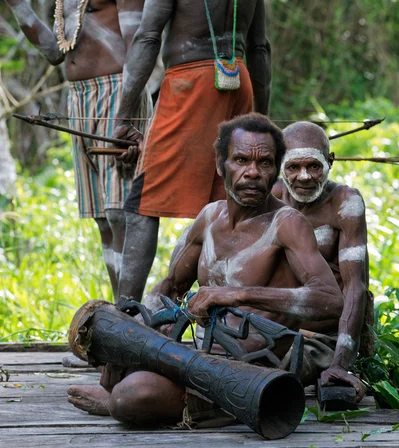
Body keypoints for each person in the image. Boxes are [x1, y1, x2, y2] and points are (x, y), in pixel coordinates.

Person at [67, 113, 343, 424]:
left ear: (275, 170)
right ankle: (134, 388)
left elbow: (330, 299)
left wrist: (234, 294)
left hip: (254, 370)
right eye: (240, 160)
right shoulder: (210, 217)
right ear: (219, 165)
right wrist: (142, 332)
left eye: (264, 163)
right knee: (110, 339)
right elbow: (169, 287)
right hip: (197, 358)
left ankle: (124, 403)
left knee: (132, 396)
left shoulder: (287, 224)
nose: (252, 172)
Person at [107, 0, 272, 302]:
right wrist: (260, 124)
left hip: (189, 84)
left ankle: (123, 319)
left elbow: (147, 37)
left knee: (142, 204)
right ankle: (229, 316)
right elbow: (259, 48)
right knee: (229, 203)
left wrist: (124, 113)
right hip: (238, 82)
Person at [0, 0, 155, 300]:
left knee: (124, 211)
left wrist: (131, 117)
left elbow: (140, 50)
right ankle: (122, 320)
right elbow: (55, 52)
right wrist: (15, 1)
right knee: (104, 219)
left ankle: (133, 323)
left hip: (118, 96)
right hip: (81, 99)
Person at [272, 121, 369, 399]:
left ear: (330, 162)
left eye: (313, 167)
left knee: (274, 380)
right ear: (281, 166)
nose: (303, 177)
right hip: (271, 330)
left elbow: (355, 287)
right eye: (293, 167)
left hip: (321, 339)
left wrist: (340, 362)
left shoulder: (344, 203)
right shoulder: (270, 197)